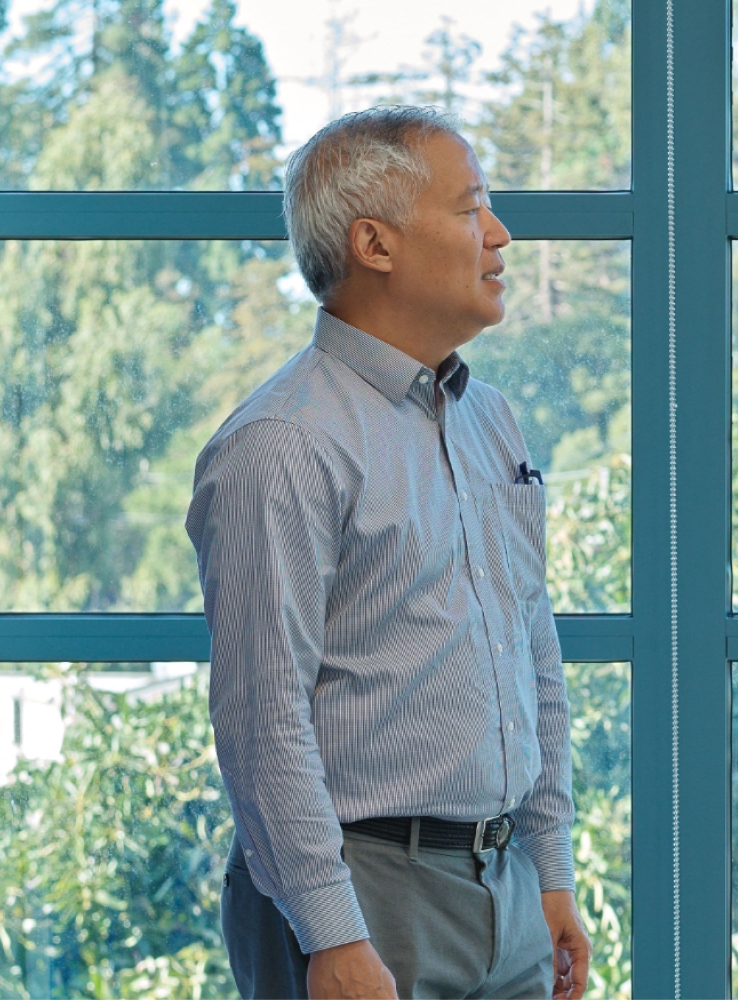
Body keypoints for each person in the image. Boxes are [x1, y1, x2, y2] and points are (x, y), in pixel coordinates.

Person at [188, 106, 591, 1000]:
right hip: (361, 898)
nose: (500, 234)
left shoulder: (490, 420)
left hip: (507, 889)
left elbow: (532, 651)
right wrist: (330, 933)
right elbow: (262, 715)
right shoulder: (281, 445)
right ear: (375, 243)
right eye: (470, 209)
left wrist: (549, 871)